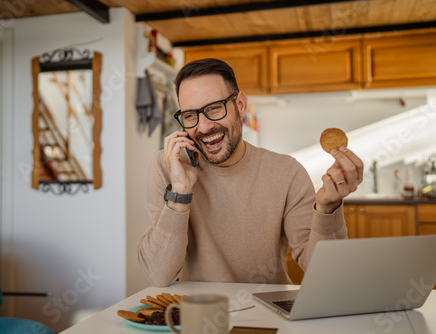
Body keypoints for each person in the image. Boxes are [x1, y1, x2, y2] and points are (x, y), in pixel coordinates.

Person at [138, 58, 363, 287]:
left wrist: (327, 209)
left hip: (267, 312)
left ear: (241, 105)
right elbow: (159, 274)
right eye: (190, 116)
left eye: (214, 108)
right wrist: (180, 194)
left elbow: (326, 274)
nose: (204, 127)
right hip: (197, 312)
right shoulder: (168, 166)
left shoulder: (288, 172)